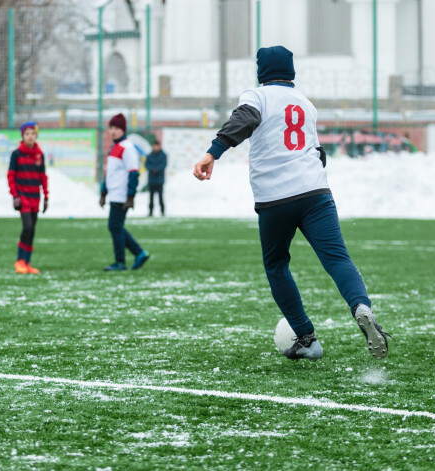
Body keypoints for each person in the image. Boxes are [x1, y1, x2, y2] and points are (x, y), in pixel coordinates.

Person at [193, 46, 390, 361]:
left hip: (275, 198)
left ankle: (307, 338)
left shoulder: (258, 96)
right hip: (316, 194)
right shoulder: (306, 104)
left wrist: (212, 152)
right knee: (337, 259)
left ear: (263, 72)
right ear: (291, 72)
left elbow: (244, 120)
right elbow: (319, 153)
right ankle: (360, 305)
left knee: (276, 265)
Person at [99, 113, 150, 271]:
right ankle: (139, 253)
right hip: (114, 193)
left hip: (122, 194)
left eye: (117, 128)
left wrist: (130, 196)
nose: (113, 131)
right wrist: (103, 193)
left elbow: (134, 173)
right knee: (116, 226)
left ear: (123, 130)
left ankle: (120, 262)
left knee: (115, 226)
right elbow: (110, 173)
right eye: (111, 128)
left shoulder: (127, 148)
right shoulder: (114, 147)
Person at [8, 121, 48, 274]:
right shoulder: (16, 154)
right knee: (27, 227)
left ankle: (28, 262)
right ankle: (20, 260)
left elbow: (43, 177)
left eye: (33, 133)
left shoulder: (39, 155)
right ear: (22, 136)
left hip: (35, 197)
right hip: (23, 197)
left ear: (36, 135)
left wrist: (46, 196)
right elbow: (11, 176)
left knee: (32, 231)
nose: (30, 136)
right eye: (27, 134)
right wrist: (15, 195)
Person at [145, 140, 167, 216]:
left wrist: (156, 170)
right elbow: (147, 165)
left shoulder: (163, 155)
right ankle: (150, 212)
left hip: (159, 180)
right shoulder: (149, 155)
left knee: (160, 197)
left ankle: (162, 212)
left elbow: (163, 165)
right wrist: (152, 170)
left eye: (156, 146)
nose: (155, 147)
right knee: (151, 198)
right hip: (151, 180)